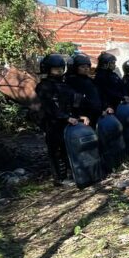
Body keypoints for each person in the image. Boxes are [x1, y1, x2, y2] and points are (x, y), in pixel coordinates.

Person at [35, 54, 88, 185]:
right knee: (56, 151)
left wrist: (79, 115)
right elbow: (49, 107)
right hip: (53, 123)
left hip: (68, 122)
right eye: (55, 68)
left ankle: (72, 174)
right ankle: (60, 178)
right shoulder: (44, 86)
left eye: (60, 68)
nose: (58, 71)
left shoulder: (65, 85)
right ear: (48, 69)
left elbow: (73, 102)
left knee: (68, 149)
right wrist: (65, 117)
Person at [64, 54, 103, 127]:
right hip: (82, 118)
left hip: (94, 115)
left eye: (88, 66)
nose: (86, 69)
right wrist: (79, 116)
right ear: (76, 68)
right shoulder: (72, 81)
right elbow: (75, 101)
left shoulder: (90, 80)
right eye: (82, 67)